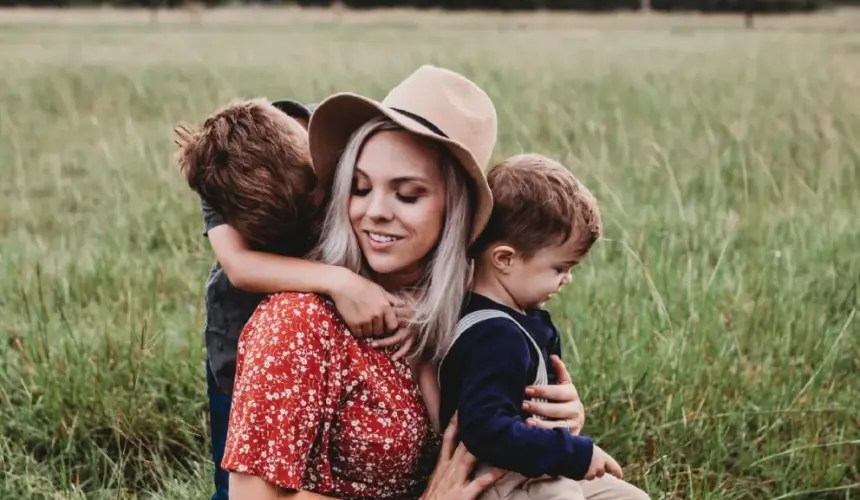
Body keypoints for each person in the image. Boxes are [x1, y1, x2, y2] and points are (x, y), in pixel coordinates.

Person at [220, 65, 586, 500]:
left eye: (407, 194)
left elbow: (503, 425)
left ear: (457, 211)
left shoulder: (471, 311)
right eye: (359, 188)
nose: (374, 210)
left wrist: (558, 421)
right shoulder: (298, 321)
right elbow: (253, 499)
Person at [173, 97, 408, 500]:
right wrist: (339, 282)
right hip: (240, 332)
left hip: (333, 334)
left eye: (315, 196)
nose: (320, 209)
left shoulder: (333, 136)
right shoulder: (222, 167)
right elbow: (240, 265)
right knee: (238, 475)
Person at [437, 154, 650, 500]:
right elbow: (484, 430)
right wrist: (574, 453)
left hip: (536, 465)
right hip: (499, 477)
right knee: (564, 495)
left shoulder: (521, 319)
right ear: (505, 259)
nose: (567, 280)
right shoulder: (492, 336)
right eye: (559, 268)